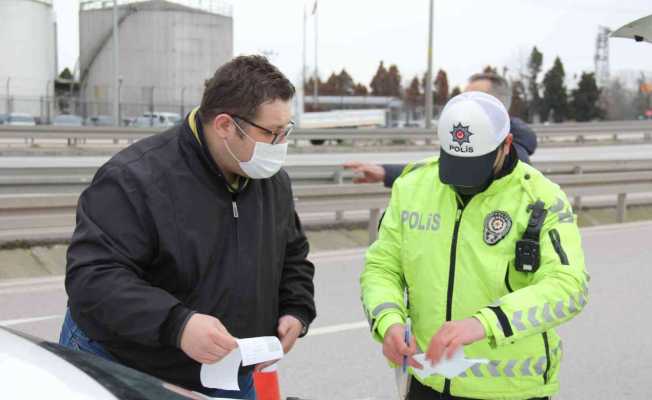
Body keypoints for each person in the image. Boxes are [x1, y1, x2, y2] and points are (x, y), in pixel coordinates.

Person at [59, 55, 316, 399]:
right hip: (128, 366)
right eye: (271, 133)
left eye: (287, 130)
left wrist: (296, 308)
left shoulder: (272, 181)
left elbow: (292, 253)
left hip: (227, 372)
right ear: (225, 125)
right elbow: (93, 278)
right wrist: (177, 325)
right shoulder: (135, 179)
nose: (281, 144)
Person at [360, 91, 588, 399]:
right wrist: (387, 322)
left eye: (475, 165)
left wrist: (484, 323)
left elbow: (569, 287)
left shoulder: (542, 198)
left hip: (513, 390)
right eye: (454, 164)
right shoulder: (413, 186)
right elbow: (382, 267)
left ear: (506, 145)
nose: (462, 180)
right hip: (427, 382)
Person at [344, 72, 538, 187]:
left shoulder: (512, 157)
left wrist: (387, 173)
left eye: (473, 97)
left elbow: (444, 175)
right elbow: (438, 171)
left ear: (497, 105)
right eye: (463, 97)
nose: (464, 104)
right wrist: (386, 173)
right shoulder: (479, 140)